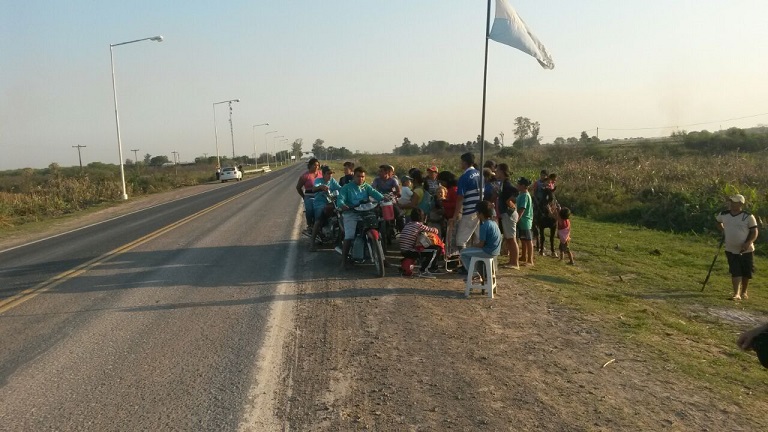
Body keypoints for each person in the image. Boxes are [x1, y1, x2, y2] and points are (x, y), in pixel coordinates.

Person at [337, 167, 385, 269]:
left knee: (378, 234)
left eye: (362, 176)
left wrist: (385, 198)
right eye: (358, 176)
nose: (360, 179)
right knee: (349, 236)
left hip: (366, 212)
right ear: (354, 176)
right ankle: (343, 261)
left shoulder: (366, 187)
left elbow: (377, 195)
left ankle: (383, 259)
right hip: (351, 213)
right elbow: (340, 199)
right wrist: (342, 205)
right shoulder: (347, 187)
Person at [716, 194, 759, 300]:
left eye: (735, 202)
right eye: (731, 202)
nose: (732, 204)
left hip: (746, 249)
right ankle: (736, 293)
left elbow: (754, 231)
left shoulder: (748, 216)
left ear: (741, 204)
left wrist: (749, 242)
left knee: (746, 271)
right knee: (735, 270)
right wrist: (723, 231)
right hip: (730, 248)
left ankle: (744, 292)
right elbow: (718, 222)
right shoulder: (724, 214)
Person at [451, 153, 481, 263]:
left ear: (464, 162)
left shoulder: (464, 177)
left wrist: (455, 216)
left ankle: (466, 265)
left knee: (460, 241)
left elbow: (460, 198)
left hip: (470, 211)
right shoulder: (480, 174)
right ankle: (478, 263)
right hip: (480, 211)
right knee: (478, 240)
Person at [459, 200, 502, 276]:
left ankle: (474, 274)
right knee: (469, 252)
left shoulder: (484, 225)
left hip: (488, 252)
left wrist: (472, 246)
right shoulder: (493, 223)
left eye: (477, 213)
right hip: (495, 251)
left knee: (463, 253)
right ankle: (476, 273)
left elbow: (481, 244)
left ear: (480, 213)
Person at [400, 208, 442, 278]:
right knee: (436, 249)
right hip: (410, 251)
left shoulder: (408, 224)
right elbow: (434, 231)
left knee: (429, 249)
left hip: (404, 250)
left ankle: (429, 267)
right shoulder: (418, 225)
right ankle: (424, 270)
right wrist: (435, 229)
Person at [309, 166, 342, 252]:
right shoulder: (318, 180)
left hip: (332, 202)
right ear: (323, 174)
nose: (330, 175)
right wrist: (320, 187)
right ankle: (312, 243)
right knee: (318, 220)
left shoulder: (332, 181)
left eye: (331, 174)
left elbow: (340, 188)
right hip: (320, 203)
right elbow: (314, 188)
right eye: (328, 174)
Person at [496, 164, 519, 269]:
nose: (496, 172)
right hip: (506, 214)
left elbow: (515, 191)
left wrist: (509, 201)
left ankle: (515, 263)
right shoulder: (502, 184)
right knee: (509, 238)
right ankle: (512, 261)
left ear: (502, 171)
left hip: (509, 213)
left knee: (511, 238)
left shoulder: (507, 184)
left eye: (498, 171)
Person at [296, 158, 320, 230]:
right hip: (309, 196)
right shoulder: (305, 176)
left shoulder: (321, 174)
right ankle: (310, 225)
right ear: (310, 166)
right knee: (309, 210)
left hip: (320, 196)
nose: (316, 167)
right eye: (314, 165)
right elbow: (298, 187)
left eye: (318, 165)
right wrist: (303, 196)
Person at [516, 177, 535, 267]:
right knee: (523, 239)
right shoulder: (521, 194)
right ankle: (523, 256)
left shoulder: (525, 195)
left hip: (525, 220)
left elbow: (522, 209)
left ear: (523, 186)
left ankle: (530, 260)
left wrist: (517, 218)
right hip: (522, 221)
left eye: (519, 184)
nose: (517, 185)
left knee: (528, 240)